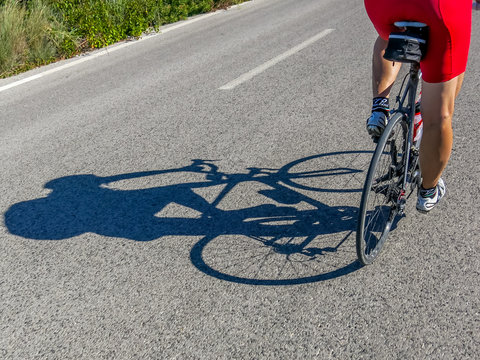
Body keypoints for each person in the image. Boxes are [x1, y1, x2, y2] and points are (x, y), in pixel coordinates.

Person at [364, 0, 476, 213]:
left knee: (388, 35)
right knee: (438, 117)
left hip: (381, 6)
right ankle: (428, 191)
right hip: (437, 8)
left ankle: (380, 106)